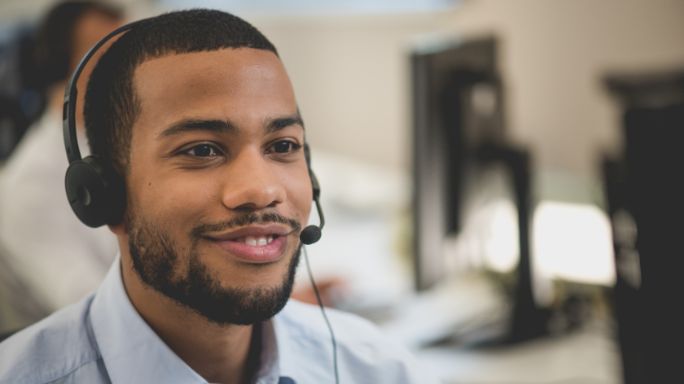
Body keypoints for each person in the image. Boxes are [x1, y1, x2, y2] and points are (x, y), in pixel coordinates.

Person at [0, 9, 430, 383]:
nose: (261, 189)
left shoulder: (377, 370)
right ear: (105, 195)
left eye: (282, 145)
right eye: (202, 150)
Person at [0, 1, 123, 326]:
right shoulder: (31, 184)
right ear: (70, 69)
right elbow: (95, 312)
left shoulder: (117, 146)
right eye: (114, 58)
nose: (134, 69)